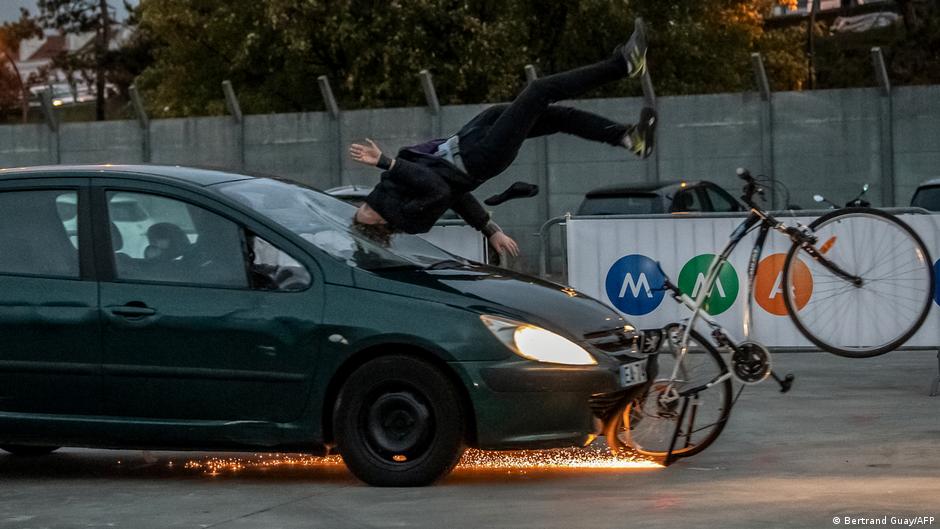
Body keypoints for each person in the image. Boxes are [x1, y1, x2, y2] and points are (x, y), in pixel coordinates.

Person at [349, 20, 657, 257]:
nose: (359, 207)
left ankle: (630, 139)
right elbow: (440, 190)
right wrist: (387, 162)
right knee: (539, 91)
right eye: (360, 214)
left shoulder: (393, 194)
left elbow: (457, 197)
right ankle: (623, 64)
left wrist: (488, 228)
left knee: (559, 117)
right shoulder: (408, 219)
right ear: (374, 224)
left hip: (469, 140)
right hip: (481, 156)